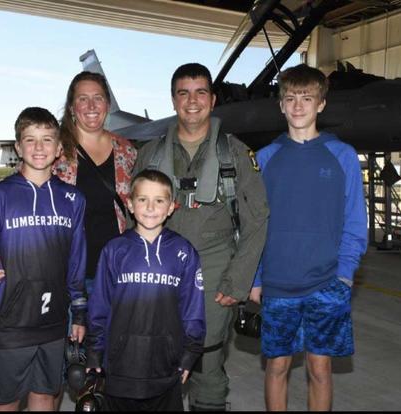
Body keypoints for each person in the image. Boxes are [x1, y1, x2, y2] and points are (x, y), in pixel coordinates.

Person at [133, 63, 269, 411]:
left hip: (214, 271)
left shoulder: (235, 153)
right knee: (153, 362)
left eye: (200, 92)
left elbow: (257, 219)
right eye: (183, 93)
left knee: (207, 362)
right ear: (173, 99)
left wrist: (238, 281)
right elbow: (130, 218)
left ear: (212, 99)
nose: (192, 101)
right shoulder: (150, 154)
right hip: (158, 272)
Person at [248, 64, 368, 411]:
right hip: (278, 283)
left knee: (320, 369)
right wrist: (255, 277)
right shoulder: (266, 158)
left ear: (321, 104)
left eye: (307, 98)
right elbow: (256, 225)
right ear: (281, 105)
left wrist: (344, 276)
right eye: (290, 98)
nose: (298, 105)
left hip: (327, 282)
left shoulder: (342, 155)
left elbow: (355, 223)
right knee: (277, 366)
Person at [0, 107, 87, 411]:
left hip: (54, 321)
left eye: (47, 139)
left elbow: (77, 260)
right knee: (5, 401)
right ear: (18, 147)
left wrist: (80, 312)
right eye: (30, 140)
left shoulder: (73, 199)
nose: (39, 147)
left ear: (59, 148)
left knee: (45, 395)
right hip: (10, 320)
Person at [0, 71, 136, 294]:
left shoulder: (126, 151)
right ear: (71, 107)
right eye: (82, 99)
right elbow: (19, 194)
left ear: (107, 104)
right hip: (62, 270)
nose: (91, 105)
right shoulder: (54, 147)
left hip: (115, 271)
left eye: (98, 98)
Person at [86, 169, 206, 411]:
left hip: (165, 367)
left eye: (159, 200)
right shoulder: (114, 250)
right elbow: (100, 306)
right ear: (130, 204)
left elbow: (193, 309)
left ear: (171, 206)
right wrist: (94, 351)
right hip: (121, 367)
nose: (150, 207)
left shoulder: (184, 252)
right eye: (142, 199)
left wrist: (190, 354)